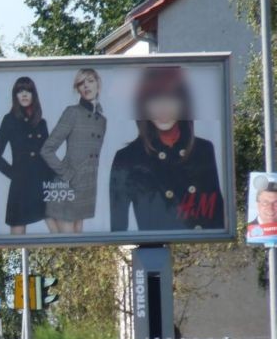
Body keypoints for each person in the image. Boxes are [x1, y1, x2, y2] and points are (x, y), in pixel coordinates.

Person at [109, 66, 224, 231]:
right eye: (154, 101)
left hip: (200, 246)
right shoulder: (127, 158)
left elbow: (218, 217)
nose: (163, 109)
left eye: (171, 99)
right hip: (152, 245)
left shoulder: (203, 150)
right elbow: (117, 229)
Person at [40, 68, 106, 233]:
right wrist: (69, 175)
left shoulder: (102, 120)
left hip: (86, 190)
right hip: (66, 188)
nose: (86, 86)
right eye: (81, 83)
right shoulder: (72, 112)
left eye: (90, 81)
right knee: (68, 243)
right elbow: (47, 149)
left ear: (98, 84)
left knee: (77, 244)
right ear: (77, 89)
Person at [0, 76, 56, 234]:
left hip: (43, 185)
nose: (24, 94)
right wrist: (14, 174)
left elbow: (48, 156)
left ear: (34, 94)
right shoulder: (9, 120)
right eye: (20, 91)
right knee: (17, 238)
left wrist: (56, 180)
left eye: (28, 90)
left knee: (60, 234)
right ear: (15, 95)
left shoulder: (41, 123)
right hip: (21, 187)